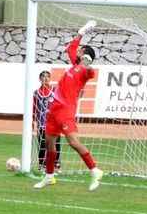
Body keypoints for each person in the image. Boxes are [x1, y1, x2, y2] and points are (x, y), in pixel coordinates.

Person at [34, 20, 103, 191]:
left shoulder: (84, 71)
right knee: (49, 142)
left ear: (85, 55)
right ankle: (49, 176)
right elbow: (71, 48)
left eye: (81, 50)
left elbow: (91, 73)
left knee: (73, 142)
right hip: (54, 109)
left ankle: (95, 170)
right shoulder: (75, 64)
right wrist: (81, 32)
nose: (77, 51)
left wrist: (87, 64)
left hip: (65, 111)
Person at [33, 70, 61, 171]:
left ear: (50, 78)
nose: (45, 78)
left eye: (47, 77)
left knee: (56, 143)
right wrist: (33, 120)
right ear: (40, 79)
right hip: (42, 123)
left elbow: (60, 104)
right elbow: (34, 107)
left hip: (54, 122)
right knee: (42, 144)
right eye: (43, 76)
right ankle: (41, 164)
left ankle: (56, 164)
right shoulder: (36, 93)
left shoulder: (55, 90)